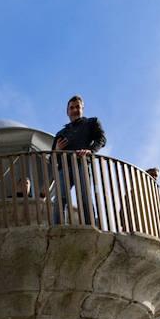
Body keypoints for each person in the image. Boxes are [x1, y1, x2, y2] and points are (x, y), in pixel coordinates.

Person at [50, 95, 106, 223]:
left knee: (84, 196)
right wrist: (58, 148)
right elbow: (52, 154)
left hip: (82, 164)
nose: (75, 110)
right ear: (67, 111)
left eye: (77, 107)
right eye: (71, 107)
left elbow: (101, 139)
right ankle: (58, 228)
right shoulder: (60, 133)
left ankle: (90, 226)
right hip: (64, 167)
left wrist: (90, 150)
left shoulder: (91, 123)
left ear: (82, 109)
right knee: (60, 198)